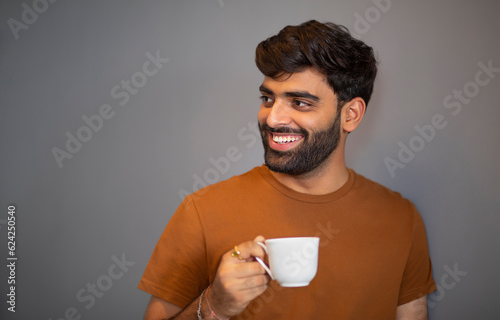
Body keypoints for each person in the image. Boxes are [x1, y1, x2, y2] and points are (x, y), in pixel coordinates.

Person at [138, 20, 437, 319]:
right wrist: (213, 306)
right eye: (268, 99)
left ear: (351, 115)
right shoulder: (201, 212)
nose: (273, 118)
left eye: (300, 102)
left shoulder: (401, 219)